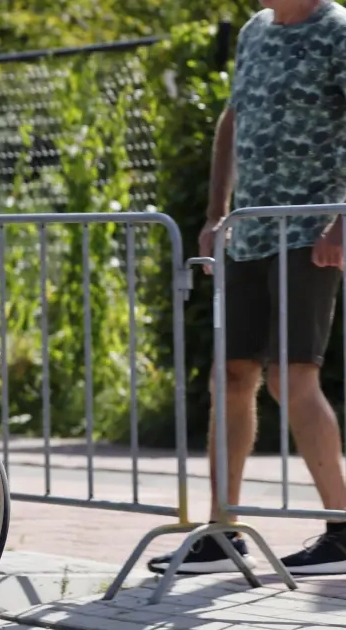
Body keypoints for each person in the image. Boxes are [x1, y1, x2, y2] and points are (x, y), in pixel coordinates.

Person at [149, 0, 346, 576]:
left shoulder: (336, 30)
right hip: (248, 232)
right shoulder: (256, 32)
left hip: (310, 231)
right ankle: (223, 532)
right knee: (230, 376)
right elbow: (233, 120)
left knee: (292, 376)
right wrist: (216, 214)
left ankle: (342, 530)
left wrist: (343, 218)